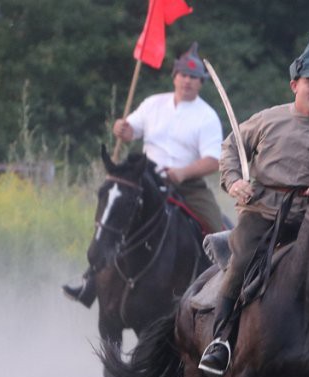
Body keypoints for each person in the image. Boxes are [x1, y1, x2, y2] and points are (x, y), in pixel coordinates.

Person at [196, 35, 309, 377]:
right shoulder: (266, 121)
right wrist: (233, 183)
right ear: (295, 85)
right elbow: (230, 149)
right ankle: (222, 341)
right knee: (241, 262)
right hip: (263, 213)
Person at [63, 42, 225, 307]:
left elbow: (214, 160)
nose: (188, 81)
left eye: (194, 78)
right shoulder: (153, 104)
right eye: (184, 75)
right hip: (145, 178)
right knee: (111, 216)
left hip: (187, 185)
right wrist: (121, 129)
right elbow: (131, 131)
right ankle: (90, 281)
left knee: (215, 226)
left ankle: (218, 288)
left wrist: (183, 173)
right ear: (175, 76)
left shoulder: (206, 116)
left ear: (201, 83)